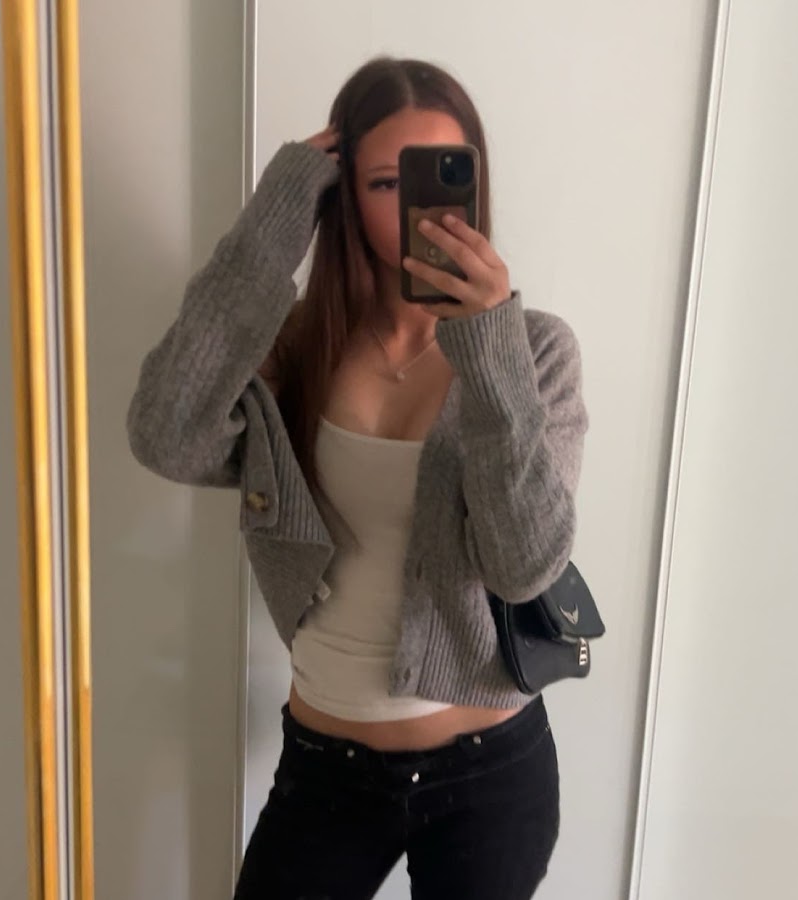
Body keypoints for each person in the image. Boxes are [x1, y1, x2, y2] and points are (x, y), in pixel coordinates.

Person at [127, 55, 588, 900]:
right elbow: (167, 436)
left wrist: (489, 350)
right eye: (385, 182)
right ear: (341, 196)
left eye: (446, 176)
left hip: (491, 776)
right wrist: (272, 225)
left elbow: (525, 565)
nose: (422, 208)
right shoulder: (299, 346)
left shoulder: (534, 352)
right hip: (325, 770)